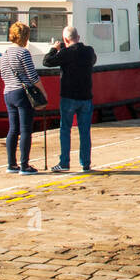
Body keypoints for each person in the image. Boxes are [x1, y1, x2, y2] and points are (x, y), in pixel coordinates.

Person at [44, 25, 97, 173]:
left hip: (68, 97)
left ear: (65, 39)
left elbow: (47, 61)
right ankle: (86, 163)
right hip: (86, 96)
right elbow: (93, 61)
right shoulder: (89, 51)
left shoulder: (66, 53)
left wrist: (55, 48)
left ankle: (64, 162)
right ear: (78, 38)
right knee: (85, 131)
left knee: (65, 129)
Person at [0, 21, 42, 174]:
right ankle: (25, 165)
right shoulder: (23, 53)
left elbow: (3, 74)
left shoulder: (4, 53)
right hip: (22, 93)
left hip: (8, 92)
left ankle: (11, 164)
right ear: (25, 36)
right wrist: (42, 91)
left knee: (13, 129)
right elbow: (32, 76)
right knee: (25, 129)